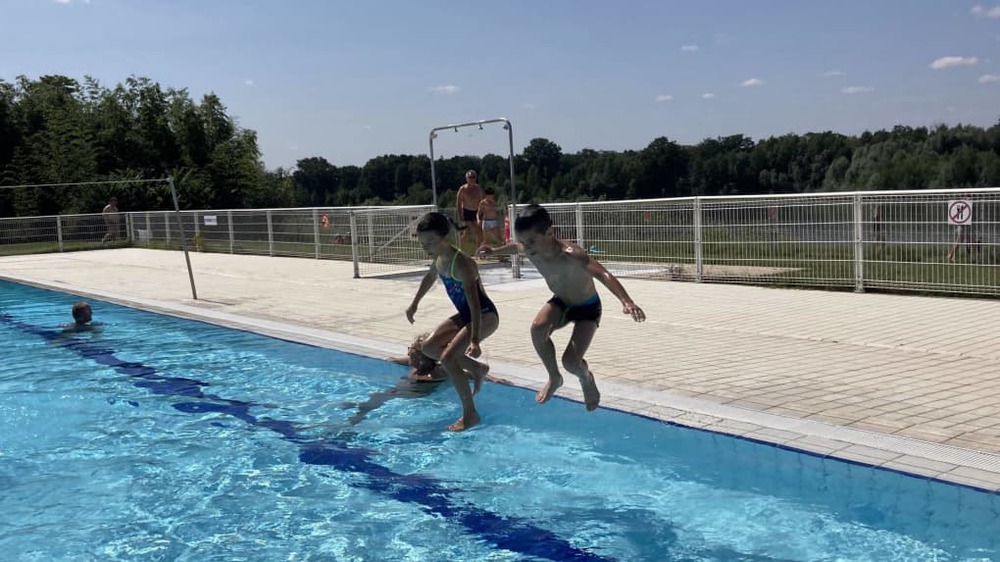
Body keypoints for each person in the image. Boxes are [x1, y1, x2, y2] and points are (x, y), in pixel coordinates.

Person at [478, 204, 646, 411]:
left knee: (571, 362)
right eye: (523, 241)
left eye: (531, 240)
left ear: (549, 232)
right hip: (562, 302)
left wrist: (626, 301)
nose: (526, 246)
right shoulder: (530, 249)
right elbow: (515, 247)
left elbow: (603, 274)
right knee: (537, 328)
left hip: (587, 308)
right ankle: (554, 378)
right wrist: (494, 250)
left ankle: (586, 379)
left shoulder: (572, 254)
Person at [407, 211, 499, 431]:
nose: (427, 246)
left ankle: (470, 414)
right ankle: (477, 369)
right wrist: (414, 303)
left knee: (448, 359)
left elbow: (475, 304)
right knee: (429, 347)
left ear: (444, 237)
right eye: (423, 243)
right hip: (466, 314)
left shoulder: (462, 264)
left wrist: (475, 340)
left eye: (431, 241)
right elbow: (430, 277)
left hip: (484, 316)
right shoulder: (438, 258)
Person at [455, 170, 484, 250]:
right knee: (467, 232)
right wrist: (460, 216)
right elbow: (458, 203)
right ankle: (460, 251)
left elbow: (482, 202)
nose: (472, 179)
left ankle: (478, 251)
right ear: (466, 178)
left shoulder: (478, 189)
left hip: (476, 212)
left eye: (473, 177)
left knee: (479, 232)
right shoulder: (462, 189)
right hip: (466, 211)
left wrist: (482, 214)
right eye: (470, 177)